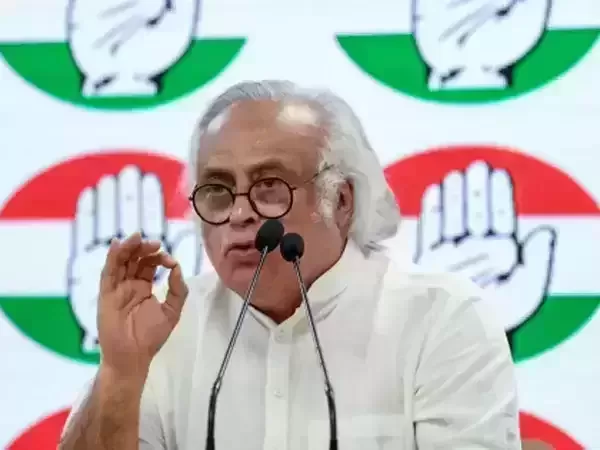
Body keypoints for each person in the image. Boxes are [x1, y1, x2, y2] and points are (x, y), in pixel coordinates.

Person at [58, 80, 520, 449]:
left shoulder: (440, 319)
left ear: (341, 201)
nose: (240, 214)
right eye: (218, 191)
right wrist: (121, 372)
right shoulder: (168, 326)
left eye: (270, 187)